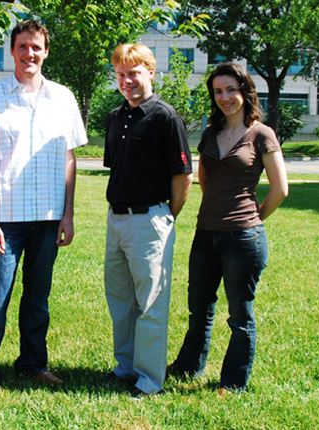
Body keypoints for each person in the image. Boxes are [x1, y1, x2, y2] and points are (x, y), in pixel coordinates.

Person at [0, 20, 87, 405]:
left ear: (45, 51)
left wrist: (67, 214)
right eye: (23, 47)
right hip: (6, 220)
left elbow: (69, 159)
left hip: (48, 217)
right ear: (12, 50)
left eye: (36, 47)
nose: (29, 54)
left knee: (38, 298)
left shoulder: (63, 98)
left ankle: (32, 364)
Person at [167, 62, 288, 394]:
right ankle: (188, 366)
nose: (225, 97)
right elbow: (205, 182)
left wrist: (252, 219)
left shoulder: (262, 134)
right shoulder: (210, 134)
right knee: (199, 307)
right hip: (206, 234)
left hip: (243, 238)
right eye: (218, 91)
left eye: (231, 90)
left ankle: (233, 382)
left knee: (239, 315)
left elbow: (280, 190)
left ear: (245, 91)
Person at [103, 43, 193, 399]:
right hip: (117, 220)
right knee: (121, 301)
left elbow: (183, 175)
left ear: (151, 72)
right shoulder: (115, 117)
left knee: (151, 303)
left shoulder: (165, 117)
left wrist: (167, 216)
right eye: (122, 75)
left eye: (134, 73)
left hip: (150, 219)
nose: (127, 80)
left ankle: (150, 379)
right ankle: (125, 368)